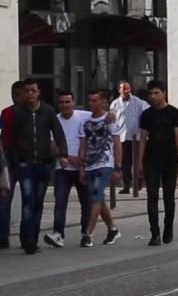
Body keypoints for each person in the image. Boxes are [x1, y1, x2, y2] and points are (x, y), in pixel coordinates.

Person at [10, 79, 68, 254]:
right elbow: (10, 138)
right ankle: (28, 239)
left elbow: (58, 133)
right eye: (27, 91)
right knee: (28, 200)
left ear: (38, 92)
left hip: (44, 163)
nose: (29, 94)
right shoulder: (19, 112)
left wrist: (63, 154)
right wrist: (15, 160)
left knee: (38, 202)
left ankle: (33, 237)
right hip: (25, 162)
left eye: (33, 91)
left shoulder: (47, 111)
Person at [136, 79, 178, 246]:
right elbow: (143, 138)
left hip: (170, 158)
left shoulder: (173, 112)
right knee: (152, 196)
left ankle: (168, 228)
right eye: (150, 93)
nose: (153, 96)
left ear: (164, 93)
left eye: (156, 93)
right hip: (151, 158)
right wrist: (139, 162)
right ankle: (154, 233)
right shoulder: (147, 114)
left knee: (168, 197)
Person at [79, 89, 123, 246]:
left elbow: (117, 143)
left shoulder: (110, 119)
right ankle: (112, 229)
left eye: (95, 100)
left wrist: (118, 166)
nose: (92, 104)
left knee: (95, 197)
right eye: (90, 100)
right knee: (99, 200)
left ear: (103, 102)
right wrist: (81, 167)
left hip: (105, 163)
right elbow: (83, 145)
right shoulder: (85, 121)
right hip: (90, 164)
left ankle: (88, 233)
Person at [47, 90, 91, 248]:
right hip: (62, 167)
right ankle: (58, 234)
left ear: (73, 102)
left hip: (82, 167)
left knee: (86, 203)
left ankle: (86, 234)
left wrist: (112, 112)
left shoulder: (84, 116)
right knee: (60, 202)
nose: (65, 105)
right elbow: (51, 143)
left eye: (67, 102)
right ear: (58, 104)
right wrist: (65, 157)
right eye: (61, 102)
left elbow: (104, 116)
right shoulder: (54, 120)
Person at [110, 80, 147, 198]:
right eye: (124, 89)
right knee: (125, 163)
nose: (126, 91)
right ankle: (126, 185)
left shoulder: (138, 102)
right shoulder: (115, 104)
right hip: (121, 137)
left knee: (137, 161)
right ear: (119, 90)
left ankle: (138, 183)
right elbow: (112, 119)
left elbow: (144, 116)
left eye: (128, 89)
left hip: (135, 136)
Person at [0, 80, 23, 248]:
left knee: (5, 198)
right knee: (8, 198)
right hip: (19, 157)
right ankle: (25, 235)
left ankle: (3, 236)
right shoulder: (11, 113)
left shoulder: (5, 112)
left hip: (9, 156)